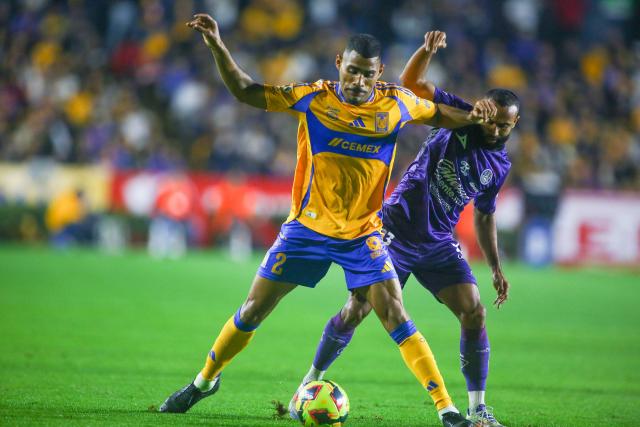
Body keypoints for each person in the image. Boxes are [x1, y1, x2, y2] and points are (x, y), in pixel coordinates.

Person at [160, 15, 496, 427]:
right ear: (339, 63)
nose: (357, 81)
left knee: (396, 314)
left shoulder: (397, 103)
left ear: (379, 74)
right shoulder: (314, 97)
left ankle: (447, 410)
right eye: (352, 70)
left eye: (367, 74)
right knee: (252, 311)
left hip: (363, 234)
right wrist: (216, 43)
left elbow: (439, 114)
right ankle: (203, 383)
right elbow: (246, 91)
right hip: (306, 230)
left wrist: (475, 117)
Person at [289, 31, 519, 427]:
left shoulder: (499, 167)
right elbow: (413, 86)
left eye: (504, 126)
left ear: (514, 125)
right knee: (357, 309)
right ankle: (310, 383)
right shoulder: (462, 118)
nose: (495, 130)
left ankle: (478, 408)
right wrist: (426, 51)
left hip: (438, 243)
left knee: (475, 312)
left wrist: (496, 266)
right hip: (394, 229)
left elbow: (483, 215)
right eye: (493, 121)